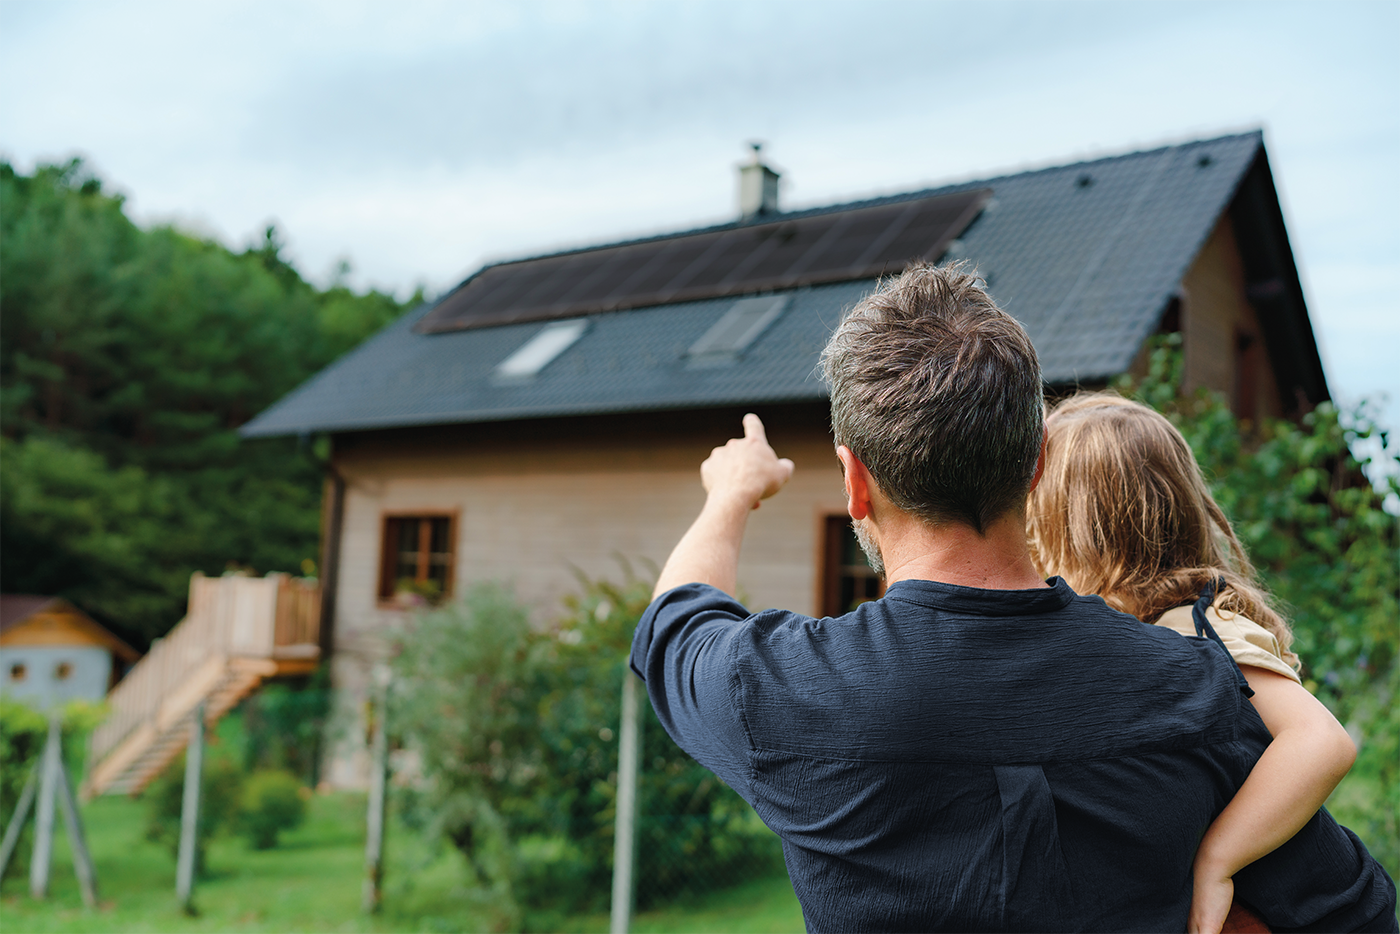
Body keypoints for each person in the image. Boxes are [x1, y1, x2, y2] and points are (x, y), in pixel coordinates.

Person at [630, 263, 1396, 933]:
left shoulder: (778, 689)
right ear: (1035, 465)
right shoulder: (1193, 685)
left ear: (855, 482)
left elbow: (678, 616)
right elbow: (1355, 911)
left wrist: (731, 495)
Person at [1027, 392, 1360, 933]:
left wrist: (1217, 861)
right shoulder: (1145, 629)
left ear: (1077, 531)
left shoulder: (1200, 628)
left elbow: (1322, 742)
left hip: (1318, 914)